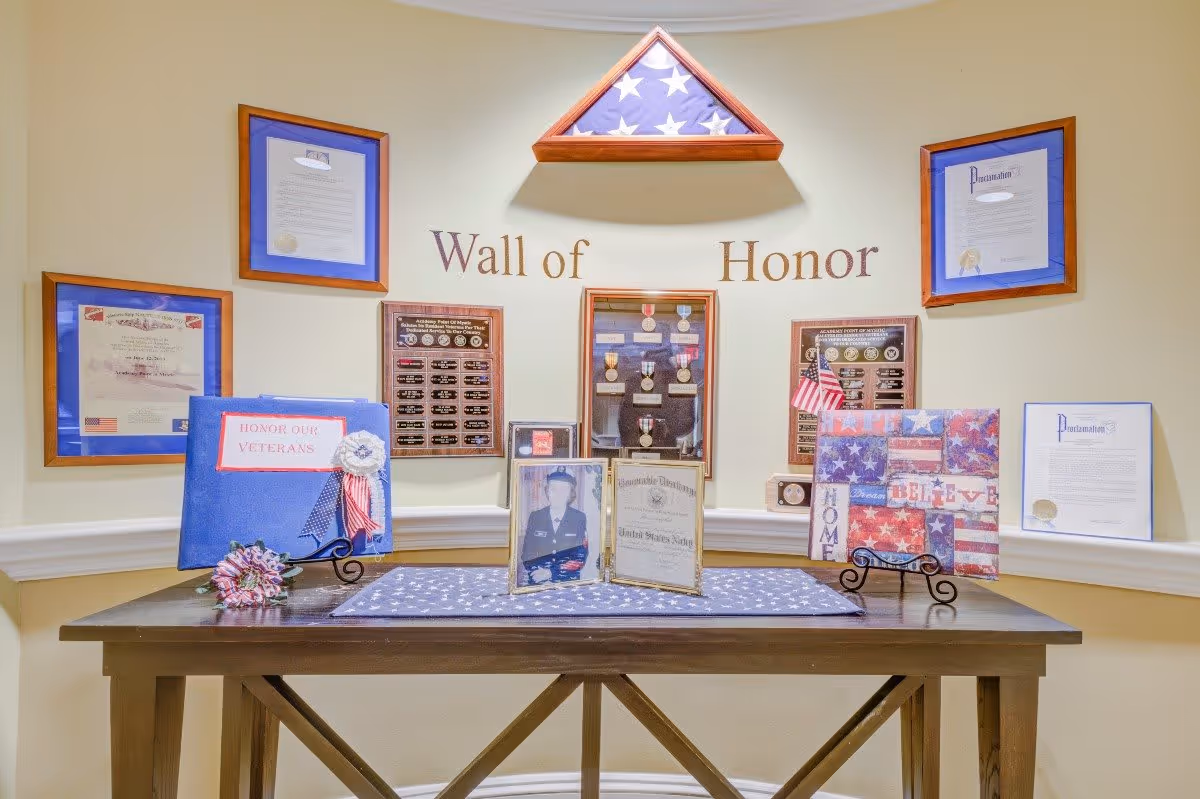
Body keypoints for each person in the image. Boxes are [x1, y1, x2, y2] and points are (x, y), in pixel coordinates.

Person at [520, 468, 589, 586]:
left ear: (571, 493)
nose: (558, 494)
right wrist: (539, 574)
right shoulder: (536, 517)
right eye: (553, 489)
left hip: (566, 584)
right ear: (547, 491)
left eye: (563, 489)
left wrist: (551, 573)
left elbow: (579, 558)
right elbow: (527, 554)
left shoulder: (579, 518)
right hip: (537, 582)